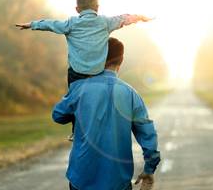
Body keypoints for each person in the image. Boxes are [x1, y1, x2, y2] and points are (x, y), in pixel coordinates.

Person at [15, 0, 152, 140]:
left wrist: (32, 24)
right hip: (98, 71)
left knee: (75, 99)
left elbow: (50, 24)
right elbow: (124, 19)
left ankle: (76, 130)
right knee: (100, 97)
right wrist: (139, 17)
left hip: (76, 72)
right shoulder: (105, 22)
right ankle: (101, 123)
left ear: (77, 9)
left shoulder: (71, 24)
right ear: (97, 7)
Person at [52, 37, 161, 190]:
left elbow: (57, 116)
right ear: (121, 62)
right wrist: (149, 169)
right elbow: (147, 135)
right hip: (118, 182)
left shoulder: (79, 88)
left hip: (81, 179)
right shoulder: (131, 94)